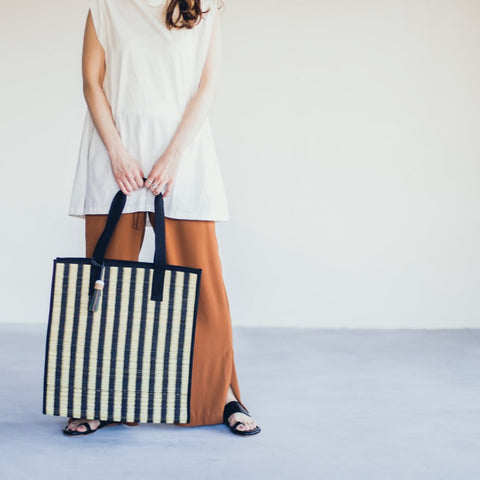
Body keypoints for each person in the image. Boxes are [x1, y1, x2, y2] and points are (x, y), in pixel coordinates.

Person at [63, 0, 260, 436]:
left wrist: (173, 156)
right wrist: (117, 152)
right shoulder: (105, 6)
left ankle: (221, 395)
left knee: (203, 286)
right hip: (114, 155)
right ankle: (100, 399)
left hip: (182, 156)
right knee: (108, 284)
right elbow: (92, 83)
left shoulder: (203, 7)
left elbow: (206, 88)